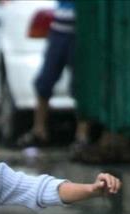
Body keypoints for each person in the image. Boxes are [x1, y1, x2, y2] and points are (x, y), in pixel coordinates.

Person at [17, 0, 90, 150]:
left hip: (81, 29)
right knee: (44, 81)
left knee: (82, 85)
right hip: (59, 29)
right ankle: (39, 131)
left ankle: (82, 136)